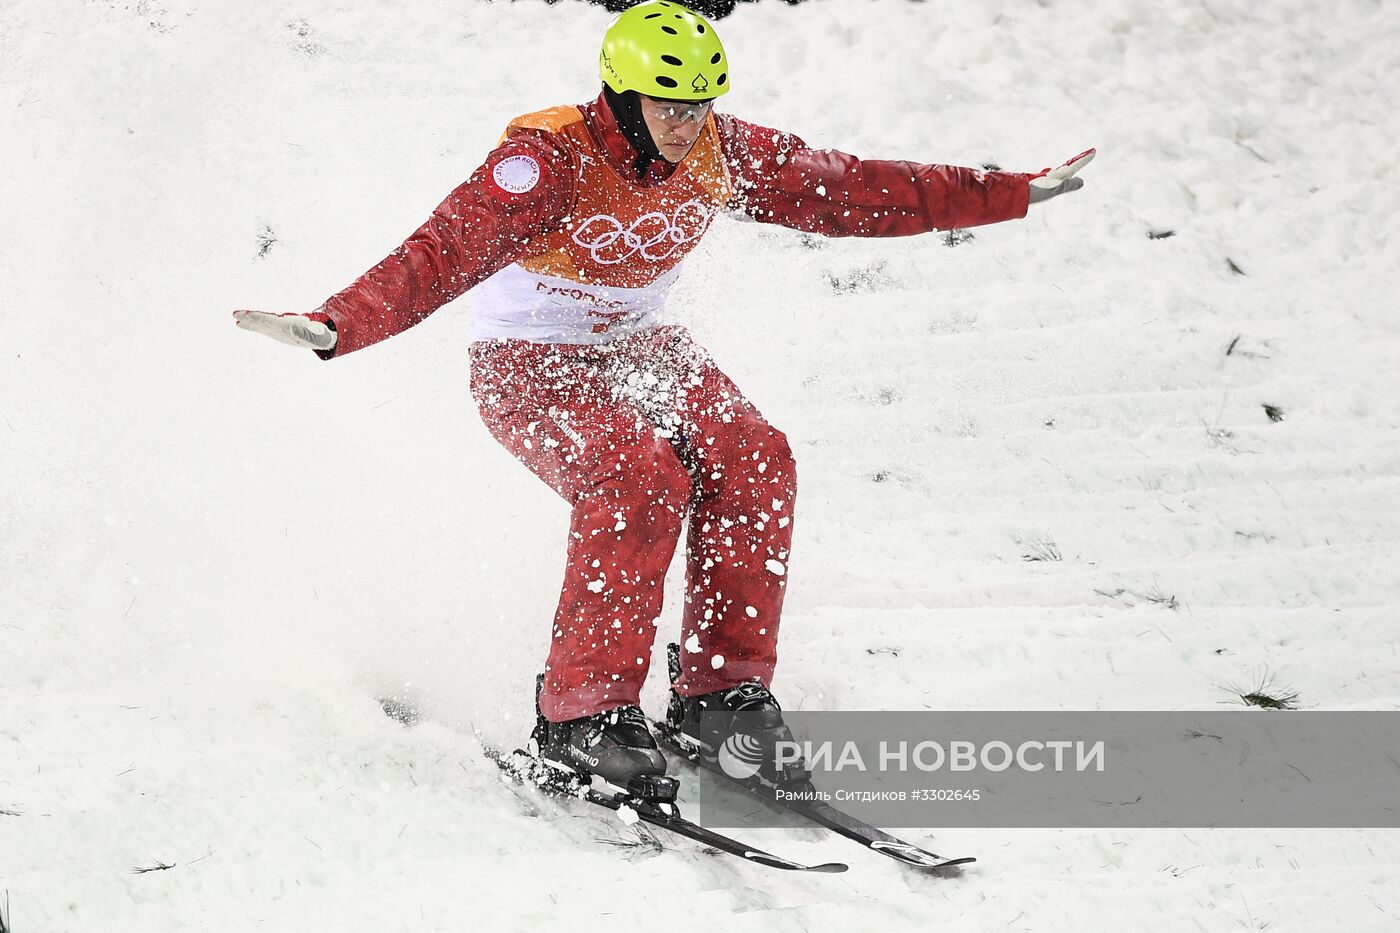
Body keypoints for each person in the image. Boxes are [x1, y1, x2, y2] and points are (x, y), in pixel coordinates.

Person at [234, 0, 1092, 796]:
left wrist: (1009, 192)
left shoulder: (720, 149)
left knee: (756, 455)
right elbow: (440, 252)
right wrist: (337, 323)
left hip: (639, 347)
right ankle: (582, 715)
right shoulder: (546, 161)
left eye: (702, 105)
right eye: (669, 106)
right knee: (640, 477)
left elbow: (854, 187)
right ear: (621, 96)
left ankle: (722, 695)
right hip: (530, 365)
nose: (688, 126)